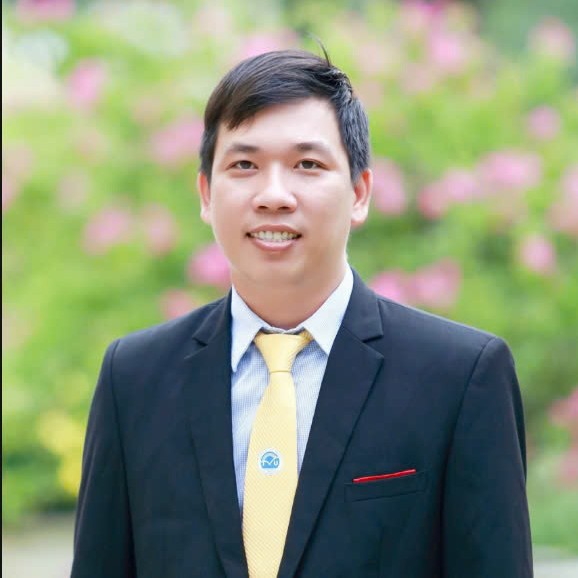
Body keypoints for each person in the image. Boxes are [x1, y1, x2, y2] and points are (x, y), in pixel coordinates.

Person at [71, 49, 533, 578]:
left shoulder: (460, 377)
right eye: (244, 165)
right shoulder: (134, 379)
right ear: (205, 193)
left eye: (307, 165)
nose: (274, 195)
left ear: (359, 193)